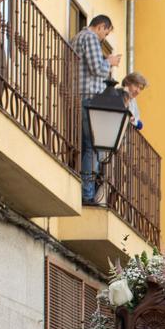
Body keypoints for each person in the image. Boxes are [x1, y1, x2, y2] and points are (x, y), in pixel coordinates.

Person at [72, 14, 121, 203]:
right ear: (101, 26)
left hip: (80, 97)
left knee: (88, 146)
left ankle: (88, 189)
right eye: (105, 34)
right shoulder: (90, 37)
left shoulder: (77, 37)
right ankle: (88, 193)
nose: (103, 38)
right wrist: (109, 62)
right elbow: (96, 69)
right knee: (92, 147)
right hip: (90, 99)